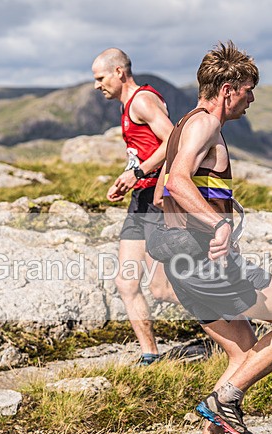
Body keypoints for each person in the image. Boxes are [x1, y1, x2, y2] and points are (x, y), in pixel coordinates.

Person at [153, 42, 272, 434]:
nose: (252, 99)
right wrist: (217, 222)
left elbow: (159, 194)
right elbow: (176, 184)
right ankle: (222, 401)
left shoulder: (183, 126)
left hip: (182, 263)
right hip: (205, 260)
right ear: (228, 89)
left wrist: (214, 205)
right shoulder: (205, 124)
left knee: (245, 352)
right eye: (248, 90)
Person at [91, 48, 177, 365]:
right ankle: (150, 355)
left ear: (119, 72)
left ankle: (233, 319)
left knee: (162, 289)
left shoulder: (142, 100)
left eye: (100, 78)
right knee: (126, 282)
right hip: (139, 198)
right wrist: (127, 178)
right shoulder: (128, 105)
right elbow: (141, 153)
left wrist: (139, 173)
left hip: (157, 198)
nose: (97, 85)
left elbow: (172, 140)